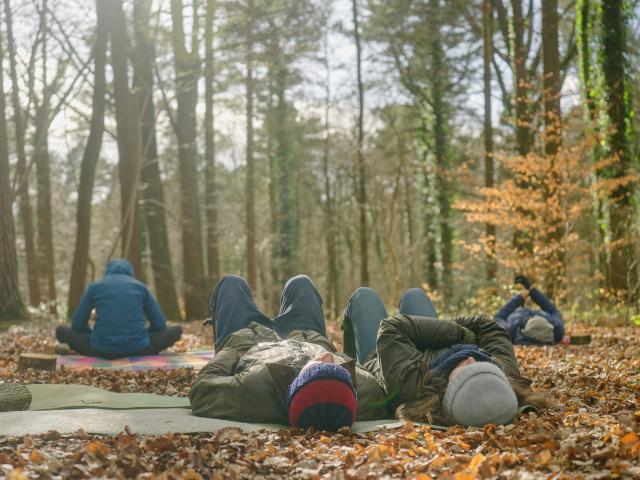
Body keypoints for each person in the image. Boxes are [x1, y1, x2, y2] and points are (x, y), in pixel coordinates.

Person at [189, 274, 391, 431]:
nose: (331, 357)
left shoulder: (254, 390)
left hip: (250, 339)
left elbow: (201, 391)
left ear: (301, 382)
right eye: (335, 367)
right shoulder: (366, 390)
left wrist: (233, 351)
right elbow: (377, 382)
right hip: (306, 336)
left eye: (320, 366)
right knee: (301, 283)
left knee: (232, 283)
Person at [341, 287, 553, 427]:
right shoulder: (506, 373)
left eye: (464, 373)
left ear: (447, 393)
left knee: (364, 296)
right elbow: (489, 327)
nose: (472, 360)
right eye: (484, 366)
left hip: (382, 353)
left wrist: (458, 333)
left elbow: (391, 329)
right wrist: (454, 331)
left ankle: (350, 363)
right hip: (433, 339)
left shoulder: (412, 388)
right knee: (415, 294)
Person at [56, 259, 182, 359]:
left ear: (107, 271)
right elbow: (159, 324)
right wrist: (143, 335)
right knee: (176, 329)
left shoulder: (95, 287)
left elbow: (78, 324)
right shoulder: (140, 287)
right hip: (140, 350)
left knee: (61, 330)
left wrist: (93, 334)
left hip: (99, 350)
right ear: (130, 271)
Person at [493, 274, 565, 346]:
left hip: (516, 311)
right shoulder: (555, 329)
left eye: (534, 319)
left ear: (525, 329)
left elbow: (497, 318)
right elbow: (553, 311)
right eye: (540, 318)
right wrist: (532, 290)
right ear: (547, 324)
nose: (536, 315)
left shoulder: (511, 330)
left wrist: (518, 298)